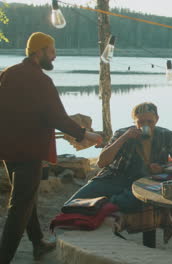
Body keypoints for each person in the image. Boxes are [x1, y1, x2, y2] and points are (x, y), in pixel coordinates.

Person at [0, 32, 103, 263]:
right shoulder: (40, 80)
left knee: (27, 198)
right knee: (20, 206)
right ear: (39, 51)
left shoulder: (9, 73)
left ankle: (37, 244)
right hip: (29, 152)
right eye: (52, 51)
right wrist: (86, 134)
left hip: (7, 149)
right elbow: (58, 117)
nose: (55, 57)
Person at [65, 102, 172, 213]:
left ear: (157, 119)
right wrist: (124, 138)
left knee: (138, 201)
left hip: (144, 182)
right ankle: (108, 202)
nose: (145, 126)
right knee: (71, 204)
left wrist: (164, 168)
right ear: (134, 121)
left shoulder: (165, 135)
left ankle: (107, 203)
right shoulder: (122, 134)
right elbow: (101, 163)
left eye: (150, 122)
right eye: (141, 122)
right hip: (113, 178)